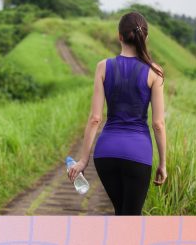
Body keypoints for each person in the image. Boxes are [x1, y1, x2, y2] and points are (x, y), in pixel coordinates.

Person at [67, 11, 167, 215]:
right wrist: (163, 163)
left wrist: (83, 160)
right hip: (138, 154)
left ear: (119, 36)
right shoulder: (155, 72)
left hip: (105, 154)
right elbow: (158, 124)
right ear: (145, 37)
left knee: (121, 212)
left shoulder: (103, 67)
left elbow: (95, 118)